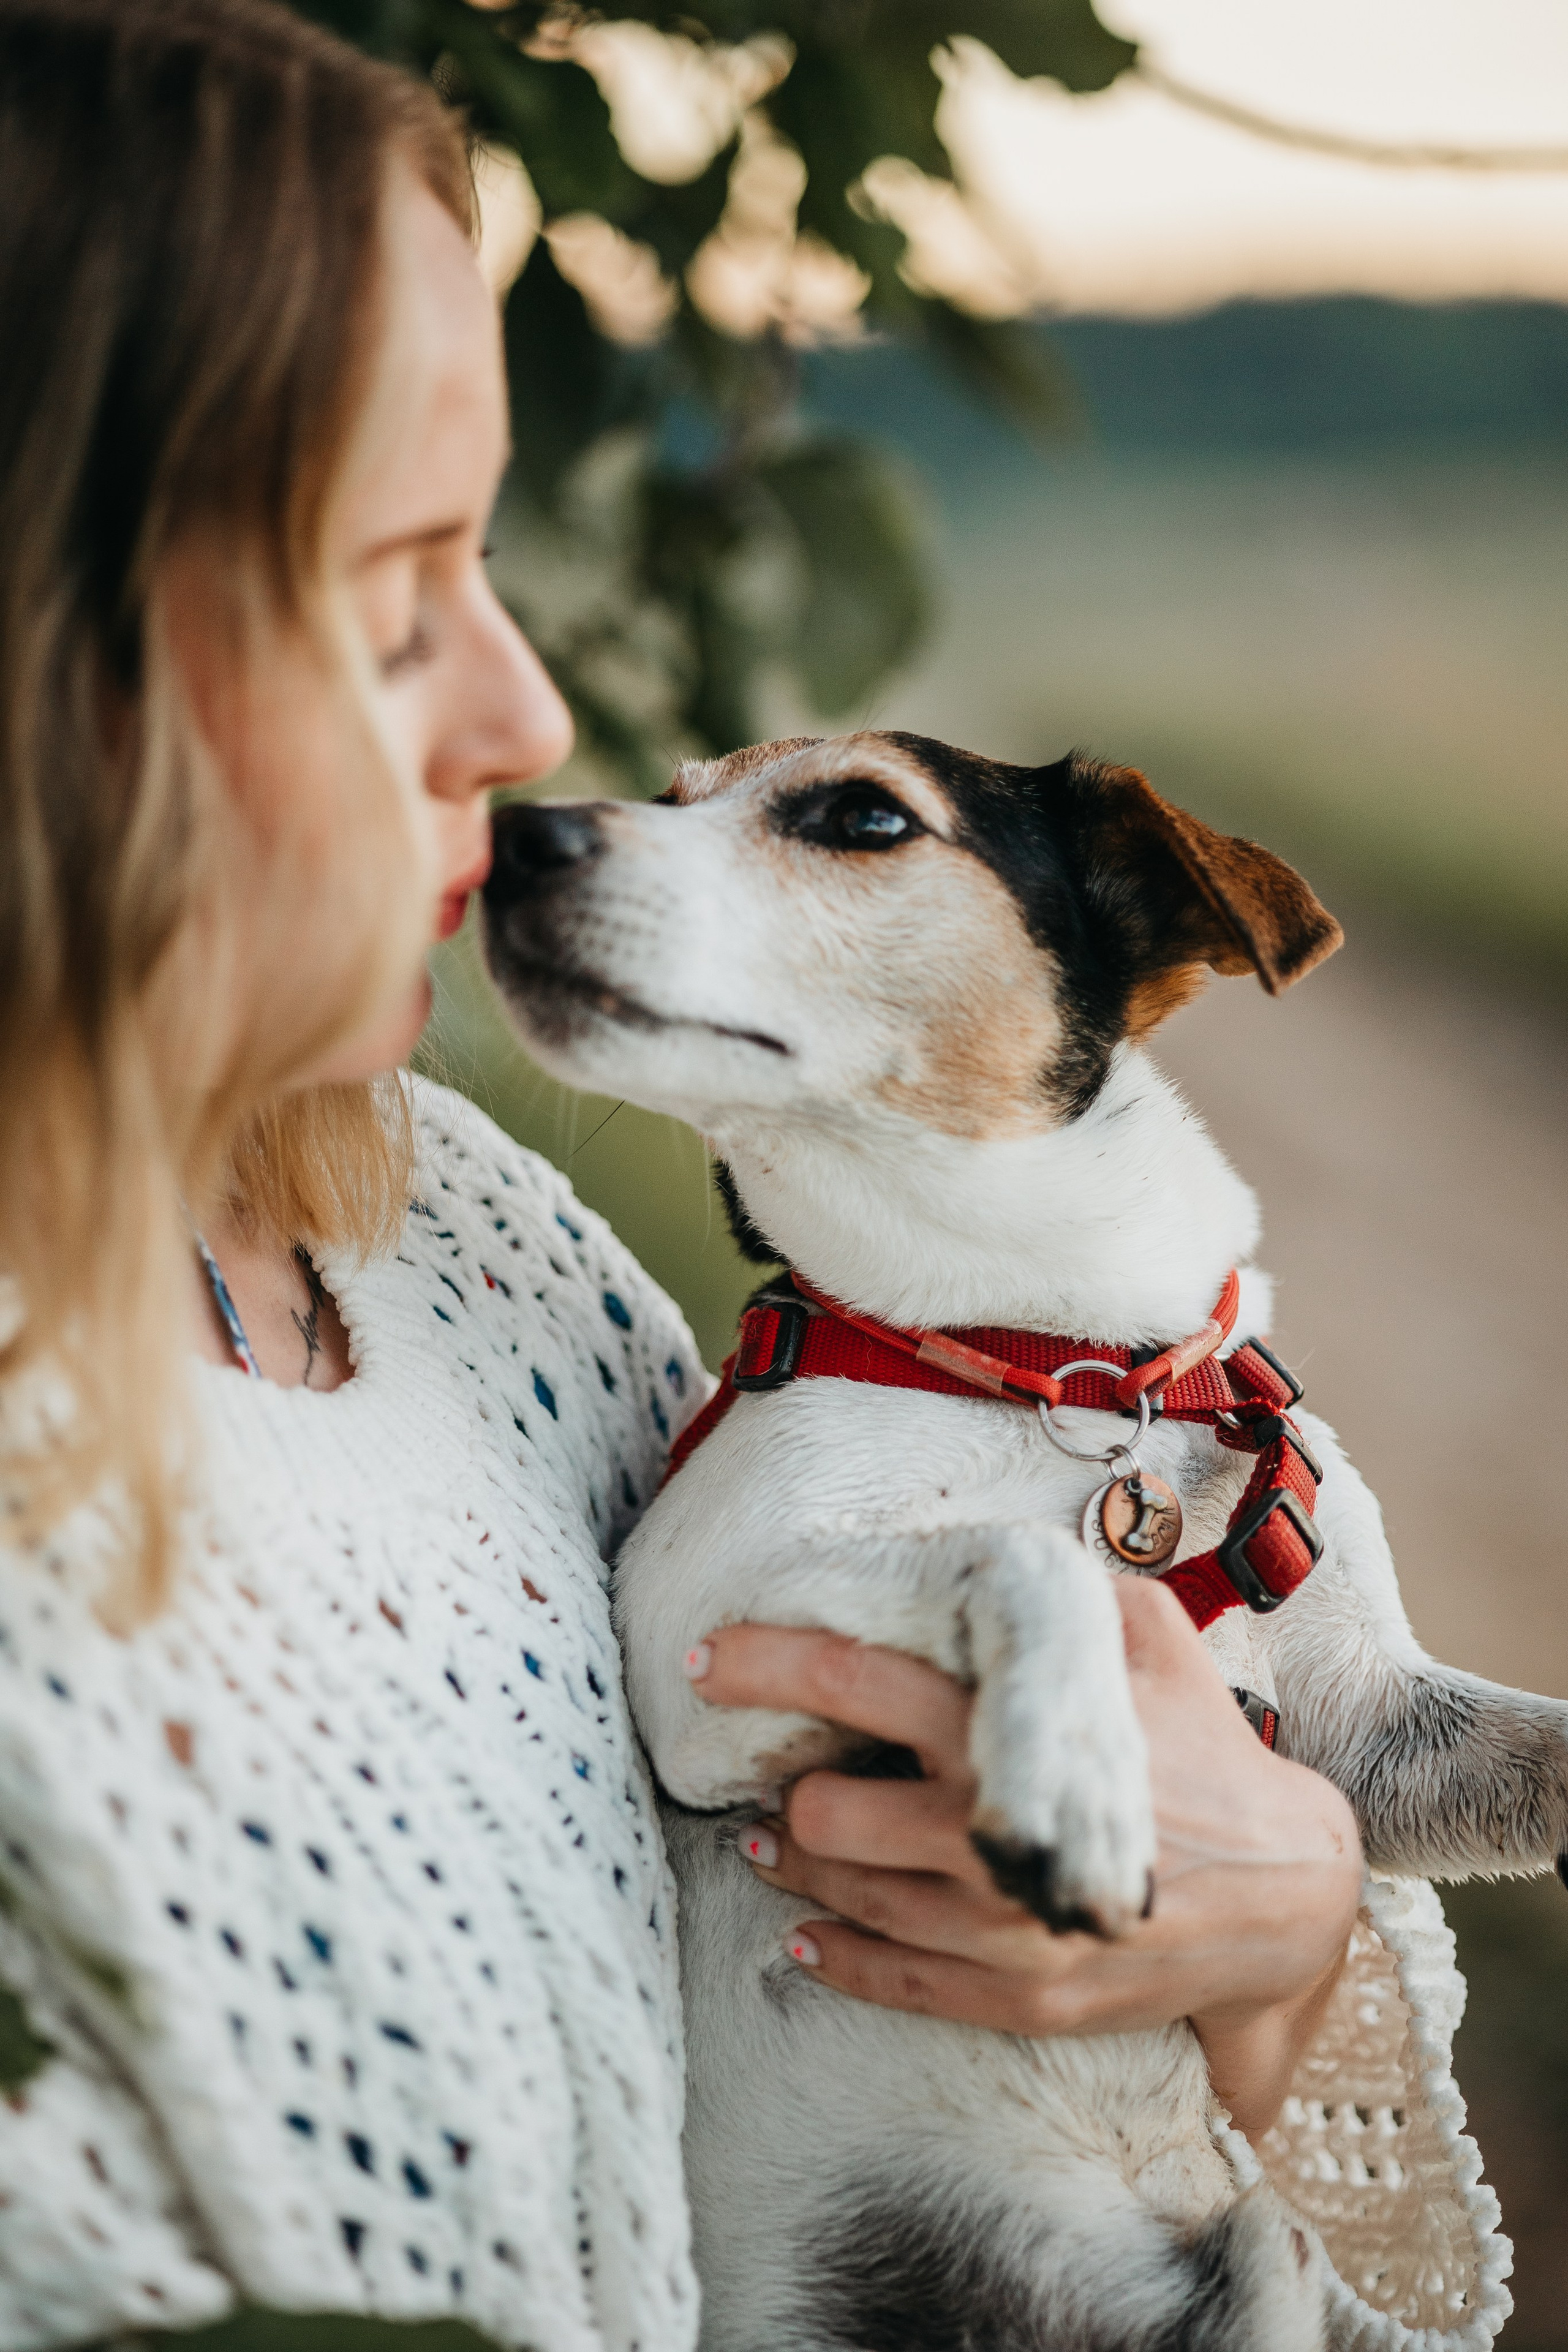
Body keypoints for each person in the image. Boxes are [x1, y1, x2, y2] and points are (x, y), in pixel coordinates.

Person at [0, 5, 1504, 2350]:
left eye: (491, 567)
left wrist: (1295, 1907)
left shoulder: (496, 1262)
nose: (522, 730)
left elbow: (1274, 1972)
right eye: (393, 595)